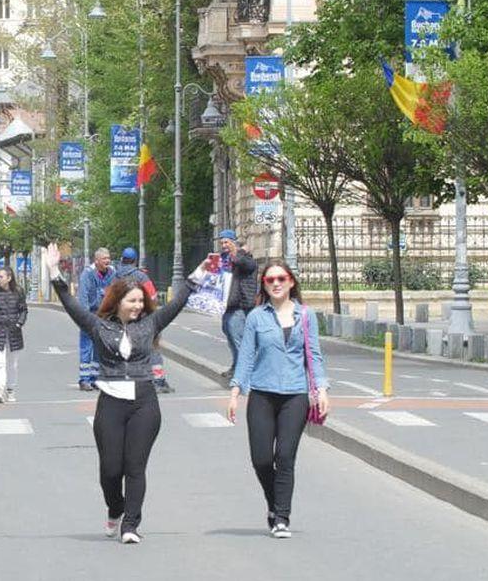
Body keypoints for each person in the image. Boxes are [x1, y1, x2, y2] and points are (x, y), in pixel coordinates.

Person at [45, 242, 209, 544]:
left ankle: (131, 525)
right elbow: (70, 302)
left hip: (144, 403)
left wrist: (199, 273)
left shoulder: (151, 323)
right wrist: (53, 270)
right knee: (110, 469)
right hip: (110, 402)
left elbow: (178, 302)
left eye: (140, 302)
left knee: (135, 466)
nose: (137, 306)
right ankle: (115, 508)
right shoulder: (97, 326)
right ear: (118, 300)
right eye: (131, 301)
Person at [226, 260, 329, 540]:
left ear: (291, 281)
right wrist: (236, 391)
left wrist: (321, 389)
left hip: (294, 396)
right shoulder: (257, 317)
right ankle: (274, 503)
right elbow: (246, 356)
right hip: (262, 394)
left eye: (281, 278)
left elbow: (314, 356)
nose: (275, 283)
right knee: (261, 459)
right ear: (264, 284)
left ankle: (281, 516)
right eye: (270, 280)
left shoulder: (306, 316)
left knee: (285, 456)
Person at [114, 248, 173, 394]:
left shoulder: (115, 276)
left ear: (122, 259)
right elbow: (152, 296)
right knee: (152, 347)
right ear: (135, 260)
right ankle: (158, 381)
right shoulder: (141, 277)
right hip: (142, 317)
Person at [216, 229, 258, 378]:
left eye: (226, 242)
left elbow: (244, 264)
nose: (224, 245)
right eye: (221, 242)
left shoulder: (244, 257)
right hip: (227, 305)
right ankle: (236, 366)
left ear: (233, 242)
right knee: (230, 336)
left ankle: (245, 372)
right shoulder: (223, 258)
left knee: (238, 338)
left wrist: (236, 252)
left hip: (240, 305)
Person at [0, 266, 27, 404]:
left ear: (9, 278)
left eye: (1, 277)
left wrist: (19, 323)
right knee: (0, 363)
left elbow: (23, 310)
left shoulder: (18, 292)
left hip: (14, 332)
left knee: (12, 364)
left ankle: (10, 389)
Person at [77, 248, 115, 390]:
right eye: (104, 258)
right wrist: (85, 318)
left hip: (104, 317)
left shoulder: (112, 273)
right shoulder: (87, 274)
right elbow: (83, 297)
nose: (107, 261)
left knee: (100, 348)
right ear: (97, 260)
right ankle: (84, 379)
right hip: (90, 315)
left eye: (108, 258)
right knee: (87, 347)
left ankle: (95, 378)